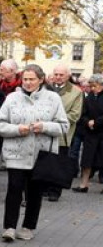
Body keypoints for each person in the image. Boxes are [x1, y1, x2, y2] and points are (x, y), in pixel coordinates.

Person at [0, 64, 68, 242]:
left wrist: (44, 126)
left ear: (41, 80)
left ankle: (28, 226)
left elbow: (64, 126)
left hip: (41, 155)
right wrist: (18, 129)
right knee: (14, 190)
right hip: (16, 152)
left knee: (34, 193)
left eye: (31, 79)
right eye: (25, 79)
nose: (27, 83)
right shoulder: (12, 98)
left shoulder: (53, 98)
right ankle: (9, 227)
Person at [43, 64, 83, 201]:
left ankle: (55, 191)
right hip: (44, 132)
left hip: (62, 135)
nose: (58, 77)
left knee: (59, 163)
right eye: (56, 74)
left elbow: (75, 115)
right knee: (44, 161)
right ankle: (44, 188)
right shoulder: (44, 89)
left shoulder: (76, 92)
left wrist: (56, 120)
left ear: (67, 76)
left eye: (61, 75)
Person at [73, 74, 103, 193]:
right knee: (87, 160)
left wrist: (95, 122)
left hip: (101, 132)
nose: (92, 88)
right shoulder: (88, 97)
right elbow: (83, 113)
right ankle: (84, 185)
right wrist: (87, 122)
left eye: (94, 86)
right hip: (90, 134)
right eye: (91, 86)